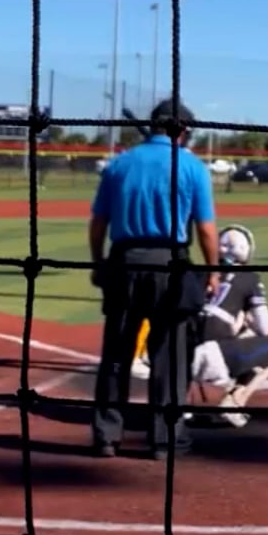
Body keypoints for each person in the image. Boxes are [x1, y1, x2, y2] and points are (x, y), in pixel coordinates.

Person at [89, 97, 221, 460]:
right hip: (171, 264)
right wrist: (213, 271)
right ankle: (165, 440)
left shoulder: (119, 164)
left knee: (117, 353)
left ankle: (106, 436)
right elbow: (206, 229)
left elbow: (98, 224)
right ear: (183, 130)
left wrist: (98, 263)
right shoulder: (192, 166)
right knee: (169, 356)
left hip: (124, 262)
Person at [183, 224, 268, 429]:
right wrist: (246, 320)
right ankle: (235, 401)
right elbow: (264, 328)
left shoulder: (198, 273)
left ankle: (181, 404)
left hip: (180, 355)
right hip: (214, 357)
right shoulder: (250, 278)